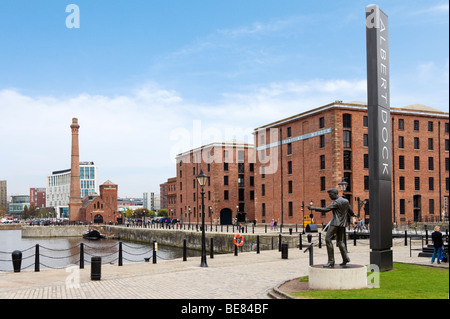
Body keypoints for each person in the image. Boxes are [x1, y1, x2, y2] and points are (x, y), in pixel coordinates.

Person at [309, 188, 355, 268]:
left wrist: (313, 208)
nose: (329, 197)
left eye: (330, 195)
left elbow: (325, 209)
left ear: (334, 194)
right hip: (342, 224)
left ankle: (331, 261)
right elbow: (351, 212)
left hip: (335, 223)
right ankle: (345, 258)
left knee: (328, 239)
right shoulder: (346, 201)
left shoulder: (336, 202)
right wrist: (355, 215)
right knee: (340, 241)